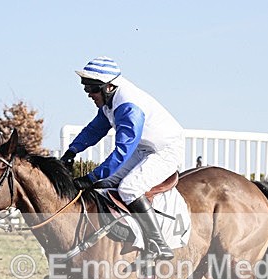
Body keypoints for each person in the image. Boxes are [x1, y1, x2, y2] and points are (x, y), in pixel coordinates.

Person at [60, 56, 185, 261]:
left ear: (109, 87)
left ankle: (159, 244)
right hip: (144, 148)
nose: (89, 94)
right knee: (104, 183)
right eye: (86, 89)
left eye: (92, 89)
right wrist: (72, 151)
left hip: (165, 150)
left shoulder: (128, 106)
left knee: (129, 188)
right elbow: (95, 129)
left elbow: (122, 152)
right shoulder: (110, 99)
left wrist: (90, 177)